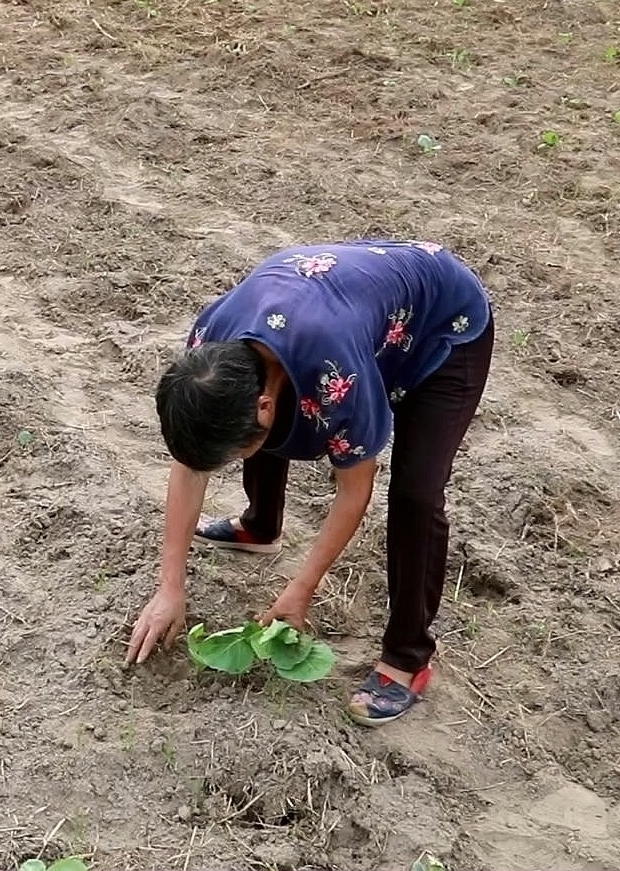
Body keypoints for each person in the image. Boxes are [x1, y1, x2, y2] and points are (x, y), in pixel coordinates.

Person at [127, 241, 495, 727]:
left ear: (262, 404)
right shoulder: (209, 351)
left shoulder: (333, 372)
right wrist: (169, 586)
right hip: (346, 312)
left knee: (416, 492)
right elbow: (190, 465)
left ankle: (408, 657)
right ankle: (261, 526)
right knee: (274, 425)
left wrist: (302, 588)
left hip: (444, 324)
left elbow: (354, 488)